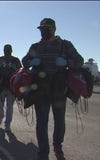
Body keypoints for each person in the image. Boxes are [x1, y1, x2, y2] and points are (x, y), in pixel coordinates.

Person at [22, 18, 84, 160]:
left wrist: (67, 62)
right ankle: (43, 152)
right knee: (42, 122)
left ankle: (57, 145)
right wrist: (31, 61)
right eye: (41, 29)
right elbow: (24, 61)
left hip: (59, 89)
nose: (43, 31)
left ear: (54, 29)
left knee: (59, 121)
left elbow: (79, 60)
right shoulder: (36, 46)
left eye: (47, 28)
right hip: (41, 90)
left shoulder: (65, 45)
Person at [0, 44, 21, 131]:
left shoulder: (15, 60)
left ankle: (7, 124)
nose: (7, 51)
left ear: (11, 51)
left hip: (11, 87)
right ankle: (0, 116)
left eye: (8, 50)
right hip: (1, 86)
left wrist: (14, 67)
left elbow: (20, 71)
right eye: (6, 50)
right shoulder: (0, 59)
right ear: (3, 50)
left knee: (10, 107)